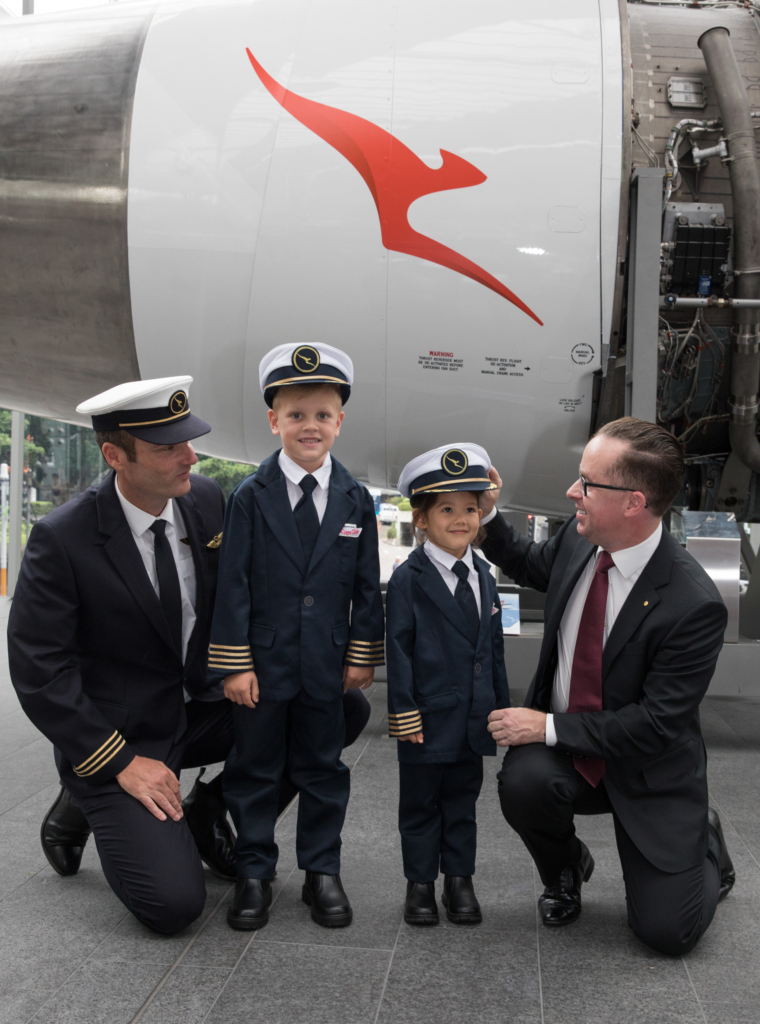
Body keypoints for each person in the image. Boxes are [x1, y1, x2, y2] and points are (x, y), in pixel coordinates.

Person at [8, 375, 373, 935]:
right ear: (115, 456)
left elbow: (249, 590)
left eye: (188, 439)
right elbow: (39, 671)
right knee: (174, 907)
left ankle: (208, 809)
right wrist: (123, 763)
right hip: (127, 734)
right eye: (168, 447)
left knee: (338, 712)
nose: (190, 456)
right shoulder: (63, 539)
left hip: (203, 705)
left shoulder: (204, 500)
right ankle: (85, 793)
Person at [480, 417, 735, 956]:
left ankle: (703, 839)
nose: (573, 492)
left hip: (649, 767)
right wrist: (486, 515)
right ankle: (565, 868)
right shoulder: (581, 541)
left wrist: (545, 725)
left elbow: (656, 726)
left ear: (634, 503)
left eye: (588, 484)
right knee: (523, 784)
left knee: (669, 934)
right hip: (573, 757)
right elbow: (529, 563)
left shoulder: (693, 604)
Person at [207, 342, 385, 932]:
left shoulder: (357, 498)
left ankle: (321, 872)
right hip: (262, 663)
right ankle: (255, 870)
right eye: (296, 414)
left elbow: (366, 583)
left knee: (322, 768)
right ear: (273, 420)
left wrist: (361, 654)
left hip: (326, 664)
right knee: (254, 768)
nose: (310, 426)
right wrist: (234, 664)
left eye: (322, 415)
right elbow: (231, 585)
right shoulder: (249, 498)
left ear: (340, 420)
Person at [387, 445, 510, 926]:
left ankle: (459, 879)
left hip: (473, 718)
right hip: (427, 717)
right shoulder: (408, 580)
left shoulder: (484, 575)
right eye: (447, 509)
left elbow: (492, 649)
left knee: (462, 802)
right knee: (420, 805)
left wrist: (498, 708)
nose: (461, 519)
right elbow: (396, 651)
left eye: (471, 509)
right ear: (420, 518)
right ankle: (420, 883)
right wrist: (403, 710)